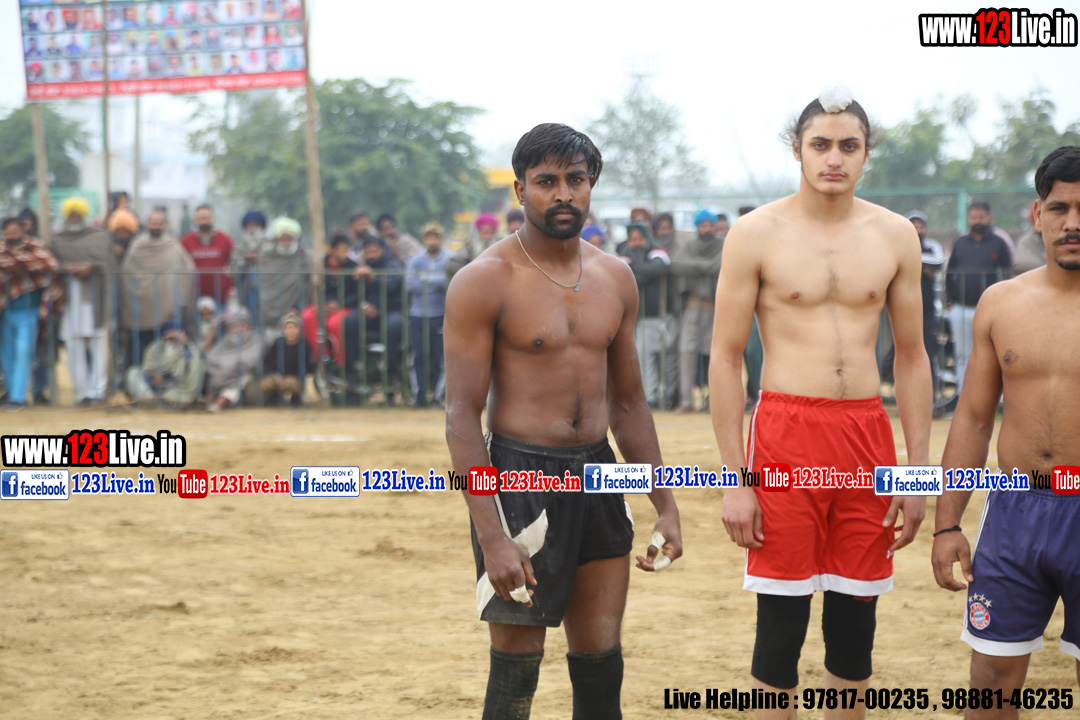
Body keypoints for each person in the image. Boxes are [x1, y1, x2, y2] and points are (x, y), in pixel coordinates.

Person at [444, 123, 682, 720]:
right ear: (520, 190)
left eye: (576, 180)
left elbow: (629, 404)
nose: (563, 194)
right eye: (546, 181)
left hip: (600, 474)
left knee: (601, 666)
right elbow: (461, 415)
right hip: (519, 479)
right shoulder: (484, 280)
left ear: (591, 185)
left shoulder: (615, 277)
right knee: (515, 674)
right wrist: (492, 536)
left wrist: (666, 504)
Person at [709, 88, 931, 719]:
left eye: (849, 146)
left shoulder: (895, 235)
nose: (835, 158)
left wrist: (917, 474)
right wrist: (735, 480)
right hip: (786, 434)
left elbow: (912, 356)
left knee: (855, 629)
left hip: (866, 436)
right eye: (821, 145)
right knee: (780, 626)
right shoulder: (755, 234)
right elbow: (724, 357)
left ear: (866, 153)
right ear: (798, 150)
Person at [932, 146, 1080, 717]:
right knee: (991, 679)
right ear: (1037, 215)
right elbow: (972, 419)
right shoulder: (1001, 303)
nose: (1072, 224)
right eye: (1059, 208)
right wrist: (948, 524)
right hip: (1016, 511)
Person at [51, 197, 117, 407]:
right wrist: (67, 268)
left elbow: (108, 263)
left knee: (98, 345)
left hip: (95, 299)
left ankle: (98, 391)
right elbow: (52, 264)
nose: (74, 218)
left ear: (84, 215)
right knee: (74, 347)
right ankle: (82, 393)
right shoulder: (58, 240)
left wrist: (91, 268)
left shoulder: (99, 237)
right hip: (70, 301)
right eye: (71, 214)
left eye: (77, 214)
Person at [945, 201, 1013, 395]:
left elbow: (1008, 274)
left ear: (990, 217)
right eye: (974, 217)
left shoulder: (999, 242)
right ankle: (962, 395)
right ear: (968, 218)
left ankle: (997, 399)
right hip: (961, 307)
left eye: (981, 217)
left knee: (994, 352)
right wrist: (950, 301)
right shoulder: (960, 242)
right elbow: (950, 273)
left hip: (990, 309)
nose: (977, 221)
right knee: (961, 354)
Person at [119, 209, 196, 369]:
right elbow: (127, 274)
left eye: (159, 223)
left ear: (164, 225)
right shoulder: (137, 245)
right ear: (147, 224)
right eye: (153, 222)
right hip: (141, 310)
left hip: (166, 310)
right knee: (140, 351)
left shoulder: (172, 245)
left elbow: (188, 269)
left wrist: (181, 299)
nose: (156, 226)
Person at [0, 217, 63, 412]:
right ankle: (11, 391)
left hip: (29, 309)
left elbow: (50, 264)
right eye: (7, 232)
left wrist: (15, 264)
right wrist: (19, 264)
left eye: (14, 232)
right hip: (5, 310)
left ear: (23, 231)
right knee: (6, 354)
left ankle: (19, 397)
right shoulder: (1, 249)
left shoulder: (36, 247)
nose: (11, 236)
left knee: (24, 351)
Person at [617, 223, 677, 409]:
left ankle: (668, 397)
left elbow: (658, 268)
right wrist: (643, 272)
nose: (637, 243)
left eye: (640, 239)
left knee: (668, 359)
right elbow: (623, 274)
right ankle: (650, 397)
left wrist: (636, 270)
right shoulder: (624, 253)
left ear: (647, 238)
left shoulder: (657, 250)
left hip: (665, 314)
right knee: (645, 359)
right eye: (633, 239)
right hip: (642, 317)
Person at [671, 209, 724, 412]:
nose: (707, 229)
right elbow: (676, 264)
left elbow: (719, 265)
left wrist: (695, 269)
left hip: (715, 307)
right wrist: (704, 267)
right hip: (692, 306)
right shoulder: (689, 245)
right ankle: (686, 399)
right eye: (703, 225)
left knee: (714, 354)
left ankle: (713, 399)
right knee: (686, 351)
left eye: (710, 225)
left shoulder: (722, 244)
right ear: (697, 227)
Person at [406, 222, 451, 407]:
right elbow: (410, 284)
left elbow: (448, 281)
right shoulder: (415, 260)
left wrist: (424, 279)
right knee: (418, 356)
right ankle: (419, 396)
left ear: (441, 239)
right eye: (428, 237)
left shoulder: (449, 258)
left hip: (440, 314)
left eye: (435, 237)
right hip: (417, 314)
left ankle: (437, 396)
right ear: (424, 240)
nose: (432, 241)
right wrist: (435, 283)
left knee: (440, 358)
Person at [906, 210, 945, 408]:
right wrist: (924, 267)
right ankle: (907, 397)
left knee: (929, 354)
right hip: (903, 311)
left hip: (927, 310)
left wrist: (911, 260)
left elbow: (938, 262)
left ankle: (931, 397)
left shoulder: (932, 246)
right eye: (914, 226)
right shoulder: (900, 245)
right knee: (904, 354)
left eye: (921, 227)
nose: (917, 230)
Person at [124, 320, 204, 408]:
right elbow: (147, 368)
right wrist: (153, 376)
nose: (174, 335)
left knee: (179, 396)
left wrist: (185, 346)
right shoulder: (155, 347)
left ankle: (165, 402)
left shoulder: (189, 349)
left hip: (175, 387)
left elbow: (188, 371)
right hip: (153, 387)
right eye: (170, 332)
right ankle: (150, 401)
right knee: (133, 372)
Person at [256, 217, 310, 333]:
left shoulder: (302, 255)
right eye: (282, 239)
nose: (286, 243)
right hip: (270, 310)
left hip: (294, 310)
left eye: (289, 239)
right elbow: (266, 285)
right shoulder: (266, 256)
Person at [204, 306, 263, 412]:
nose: (238, 330)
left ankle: (222, 401)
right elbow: (211, 356)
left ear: (248, 325)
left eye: (242, 325)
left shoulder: (255, 339)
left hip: (246, 378)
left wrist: (232, 366)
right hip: (223, 376)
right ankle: (211, 399)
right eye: (234, 326)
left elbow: (252, 360)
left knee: (243, 378)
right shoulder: (226, 339)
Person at [180, 204, 235, 305]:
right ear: (195, 220)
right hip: (194, 295)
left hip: (220, 295)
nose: (204, 221)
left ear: (213, 218)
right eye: (201, 218)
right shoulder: (186, 241)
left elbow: (233, 261)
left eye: (207, 218)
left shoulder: (225, 240)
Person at [259, 311, 313, 406]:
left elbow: (309, 366)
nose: (290, 331)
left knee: (293, 385)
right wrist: (275, 375)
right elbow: (267, 361)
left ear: (299, 329)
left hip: (295, 378)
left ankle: (295, 398)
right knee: (266, 384)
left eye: (294, 327)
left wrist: (295, 376)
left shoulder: (305, 345)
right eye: (287, 328)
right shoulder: (278, 343)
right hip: (277, 376)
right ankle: (273, 397)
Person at [231, 209, 268, 311]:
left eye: (256, 225)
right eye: (249, 226)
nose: (252, 229)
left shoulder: (268, 245)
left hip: (266, 290)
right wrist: (244, 261)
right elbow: (233, 269)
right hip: (245, 289)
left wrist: (259, 258)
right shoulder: (239, 248)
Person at [446, 213, 500, 281]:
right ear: (479, 232)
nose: (488, 237)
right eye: (485, 233)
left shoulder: (501, 248)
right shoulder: (469, 249)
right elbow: (452, 265)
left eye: (491, 233)